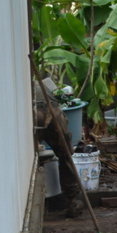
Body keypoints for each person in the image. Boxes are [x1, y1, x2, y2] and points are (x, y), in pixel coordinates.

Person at [35, 80, 83, 218]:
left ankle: (41, 204)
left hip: (35, 113)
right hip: (54, 112)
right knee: (66, 156)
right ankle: (72, 201)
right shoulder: (46, 86)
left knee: (31, 158)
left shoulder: (28, 85)